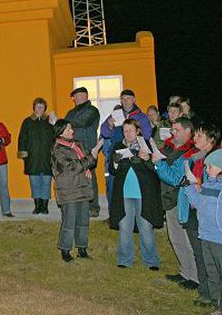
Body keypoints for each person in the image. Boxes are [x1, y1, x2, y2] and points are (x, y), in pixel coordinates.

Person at [157, 123, 222, 307]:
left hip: (210, 214)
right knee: (202, 254)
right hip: (193, 210)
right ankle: (206, 292)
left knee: (210, 256)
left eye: (199, 136)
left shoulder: (217, 160)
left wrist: (200, 186)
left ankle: (216, 295)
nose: (195, 139)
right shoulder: (194, 158)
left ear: (211, 139)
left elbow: (221, 189)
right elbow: (182, 181)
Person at [184, 148, 222, 315]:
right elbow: (198, 203)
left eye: (209, 167)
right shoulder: (206, 186)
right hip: (206, 236)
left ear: (221, 167)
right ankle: (218, 305)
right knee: (212, 273)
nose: (206, 170)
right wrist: (189, 187)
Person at [109, 119, 163, 270]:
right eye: (125, 131)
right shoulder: (118, 146)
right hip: (124, 194)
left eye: (131, 130)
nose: (128, 133)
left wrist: (147, 160)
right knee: (124, 227)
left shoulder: (147, 145)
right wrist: (115, 162)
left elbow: (156, 168)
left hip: (144, 194)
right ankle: (125, 259)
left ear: (138, 130)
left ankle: (151, 260)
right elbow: (112, 171)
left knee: (146, 228)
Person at [154, 116, 199, 289]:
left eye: (177, 130)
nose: (173, 133)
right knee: (176, 238)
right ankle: (185, 272)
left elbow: (175, 178)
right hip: (170, 199)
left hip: (182, 200)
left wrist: (158, 164)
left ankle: (195, 277)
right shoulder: (173, 147)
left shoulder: (190, 151)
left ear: (188, 131)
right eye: (172, 130)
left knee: (187, 240)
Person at [51, 119, 98, 262]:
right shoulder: (57, 150)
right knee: (69, 222)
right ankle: (65, 250)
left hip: (82, 187)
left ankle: (82, 249)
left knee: (83, 221)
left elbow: (90, 162)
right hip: (68, 190)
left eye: (71, 128)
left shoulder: (78, 145)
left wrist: (92, 156)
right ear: (60, 133)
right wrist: (90, 157)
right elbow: (71, 168)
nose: (72, 131)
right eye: (68, 129)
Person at [65, 87, 101, 217]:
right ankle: (79, 205)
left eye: (79, 96)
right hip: (73, 149)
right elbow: (65, 129)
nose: (76, 98)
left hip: (87, 149)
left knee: (90, 177)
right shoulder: (70, 113)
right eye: (75, 96)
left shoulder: (92, 111)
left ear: (86, 96)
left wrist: (61, 122)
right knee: (75, 178)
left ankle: (93, 206)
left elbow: (81, 122)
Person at [18, 97, 55, 214]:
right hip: (32, 158)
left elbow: (57, 137)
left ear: (45, 108)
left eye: (42, 106)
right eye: (37, 106)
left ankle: (45, 206)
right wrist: (23, 153)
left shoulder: (50, 121)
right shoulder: (27, 122)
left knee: (46, 182)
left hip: (47, 158)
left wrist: (54, 124)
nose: (39, 108)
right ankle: (37, 206)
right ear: (33, 107)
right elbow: (22, 138)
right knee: (34, 183)